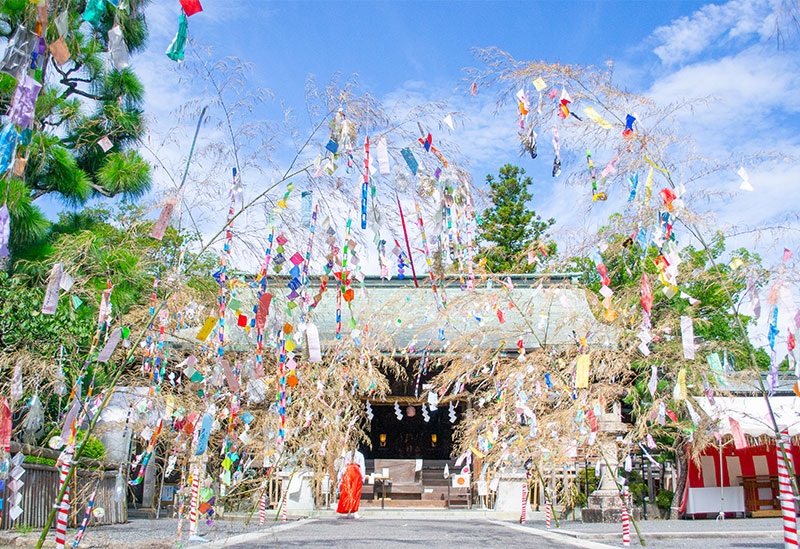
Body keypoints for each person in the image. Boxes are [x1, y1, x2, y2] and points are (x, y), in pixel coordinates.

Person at [336, 446, 365, 518]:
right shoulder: (358, 455)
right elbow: (362, 467)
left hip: (349, 473)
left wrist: (340, 476)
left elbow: (342, 466)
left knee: (349, 493)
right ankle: (353, 511)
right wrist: (363, 477)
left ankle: (350, 511)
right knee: (355, 493)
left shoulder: (347, 454)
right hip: (355, 473)